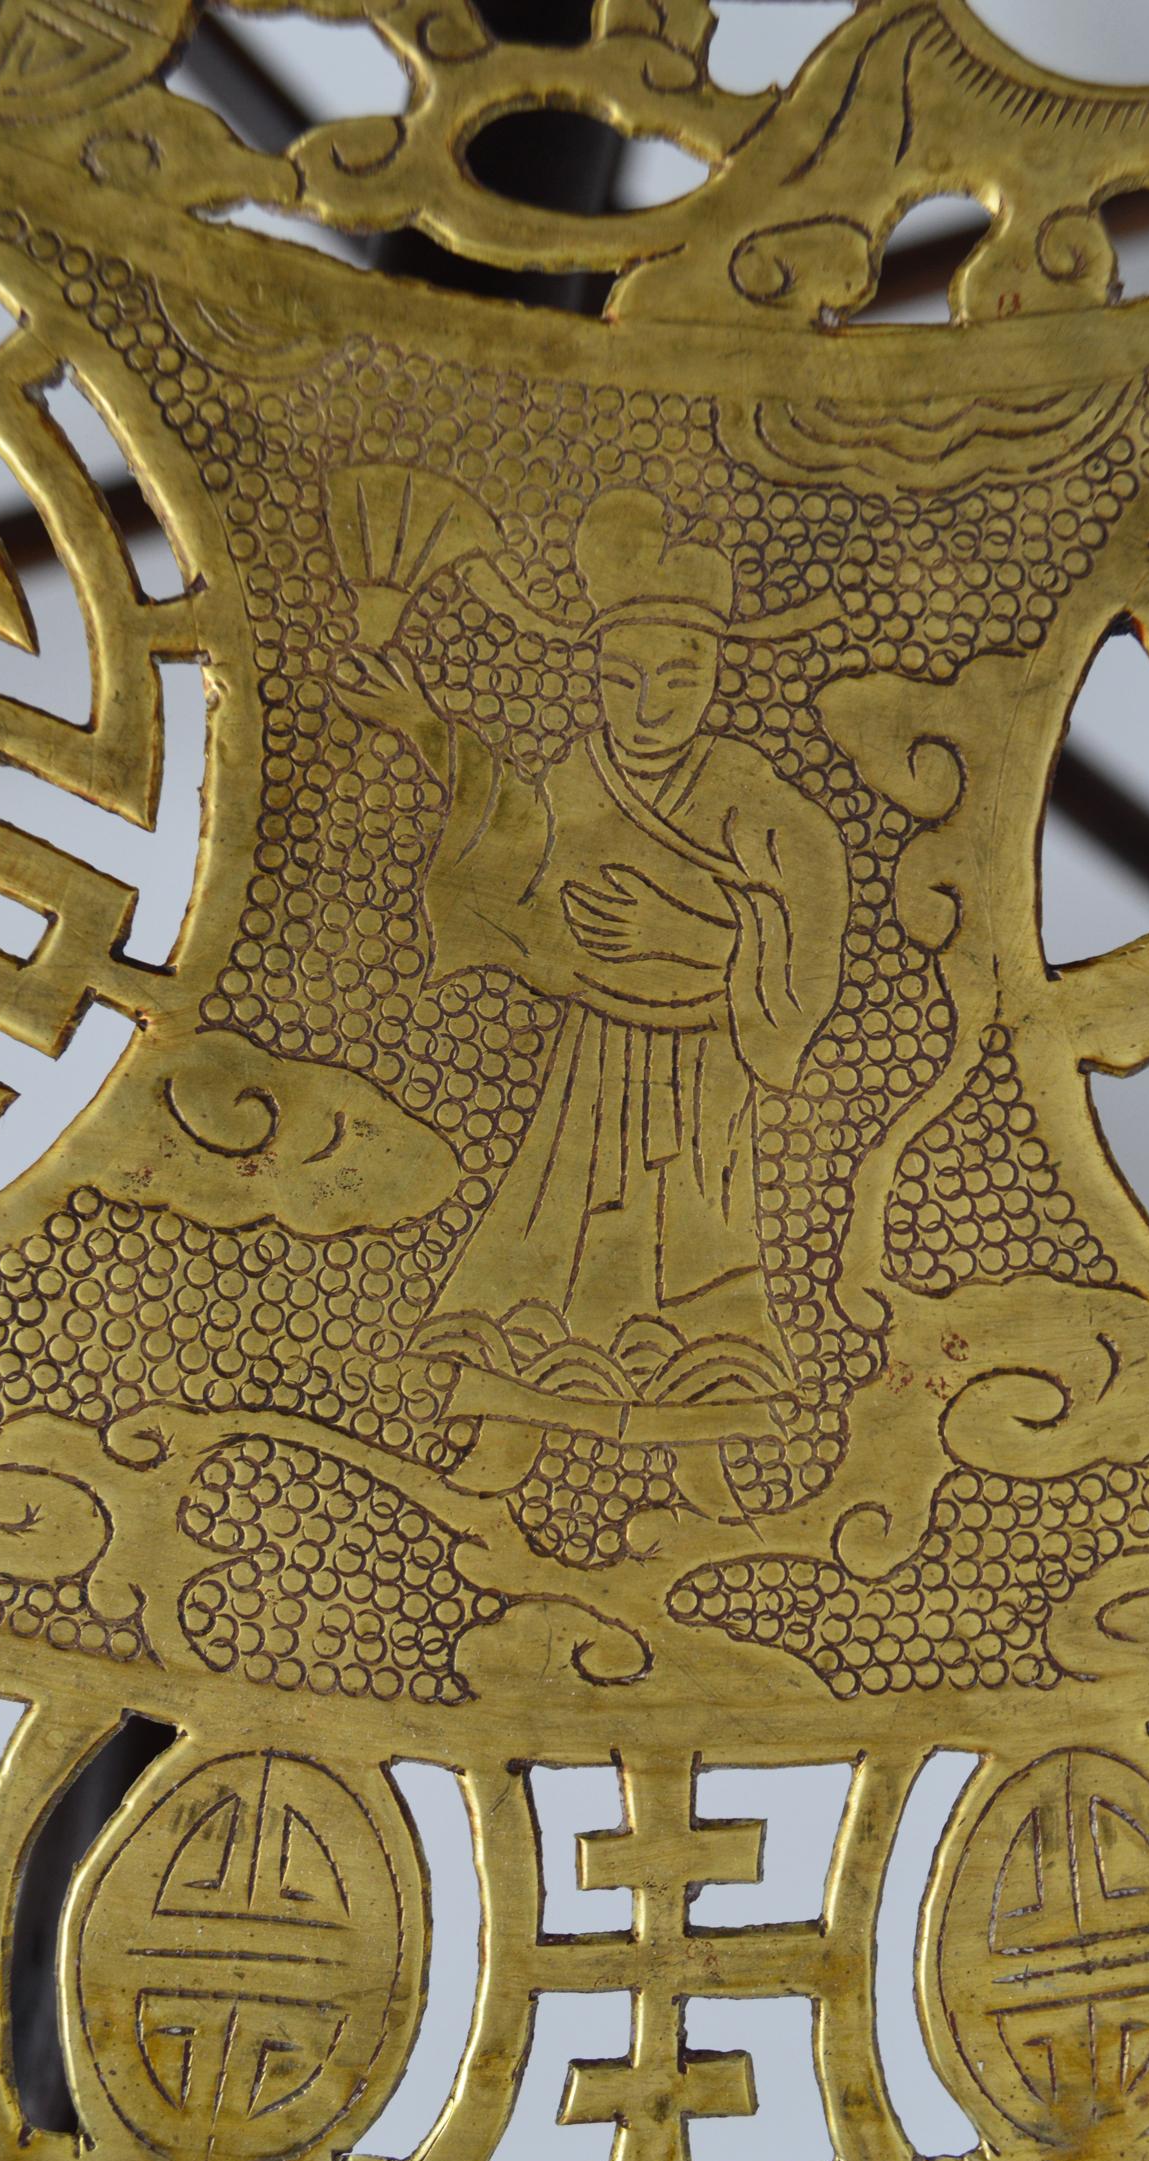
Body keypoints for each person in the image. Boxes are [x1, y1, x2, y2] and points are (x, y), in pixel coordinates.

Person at [348, 487, 849, 1486]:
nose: (649, 703)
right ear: (594, 682)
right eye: (622, 679)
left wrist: (701, 937)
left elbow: (811, 914)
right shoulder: (583, 777)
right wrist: (428, 729)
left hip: (703, 1075)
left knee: (695, 1258)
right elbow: (518, 845)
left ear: (715, 678)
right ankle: (507, 1436)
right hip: (590, 1065)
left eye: (678, 676)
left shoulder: (749, 794)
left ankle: (705, 1467)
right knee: (553, 1244)